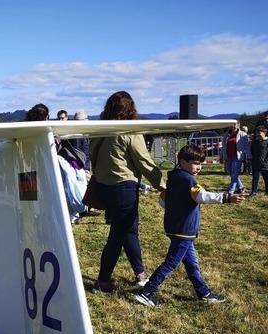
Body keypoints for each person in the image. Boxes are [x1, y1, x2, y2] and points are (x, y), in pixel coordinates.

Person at [134, 145, 244, 307]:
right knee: (171, 263)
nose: (198, 166)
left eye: (201, 163)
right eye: (194, 163)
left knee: (192, 263)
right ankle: (147, 292)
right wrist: (227, 197)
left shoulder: (173, 179)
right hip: (183, 231)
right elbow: (202, 196)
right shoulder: (189, 180)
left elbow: (162, 202)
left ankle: (203, 293)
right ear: (182, 162)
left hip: (175, 229)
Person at [91, 91, 166, 292]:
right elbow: (144, 161)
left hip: (104, 187)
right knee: (118, 233)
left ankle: (140, 274)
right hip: (123, 187)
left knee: (129, 230)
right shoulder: (129, 130)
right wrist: (163, 185)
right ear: (130, 108)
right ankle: (103, 279)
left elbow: (93, 156)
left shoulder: (100, 129)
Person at [26, 104, 87, 223]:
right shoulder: (49, 132)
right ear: (46, 117)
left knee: (34, 206)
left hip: (31, 171)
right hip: (44, 171)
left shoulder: (27, 132)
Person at [221, 121, 248, 195]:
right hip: (228, 156)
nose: (233, 126)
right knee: (230, 173)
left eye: (235, 124)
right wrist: (222, 156)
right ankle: (241, 187)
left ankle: (231, 191)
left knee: (234, 174)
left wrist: (248, 156)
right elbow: (223, 146)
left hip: (237, 156)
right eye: (231, 124)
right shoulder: (226, 135)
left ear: (238, 125)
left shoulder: (243, 134)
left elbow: (247, 146)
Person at [250, 125, 268, 196]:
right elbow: (252, 150)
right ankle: (254, 192)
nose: (258, 135)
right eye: (257, 133)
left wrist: (265, 160)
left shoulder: (267, 141)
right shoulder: (254, 142)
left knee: (266, 179)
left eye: (259, 133)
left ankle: (267, 191)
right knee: (255, 179)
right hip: (255, 163)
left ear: (264, 133)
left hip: (265, 164)